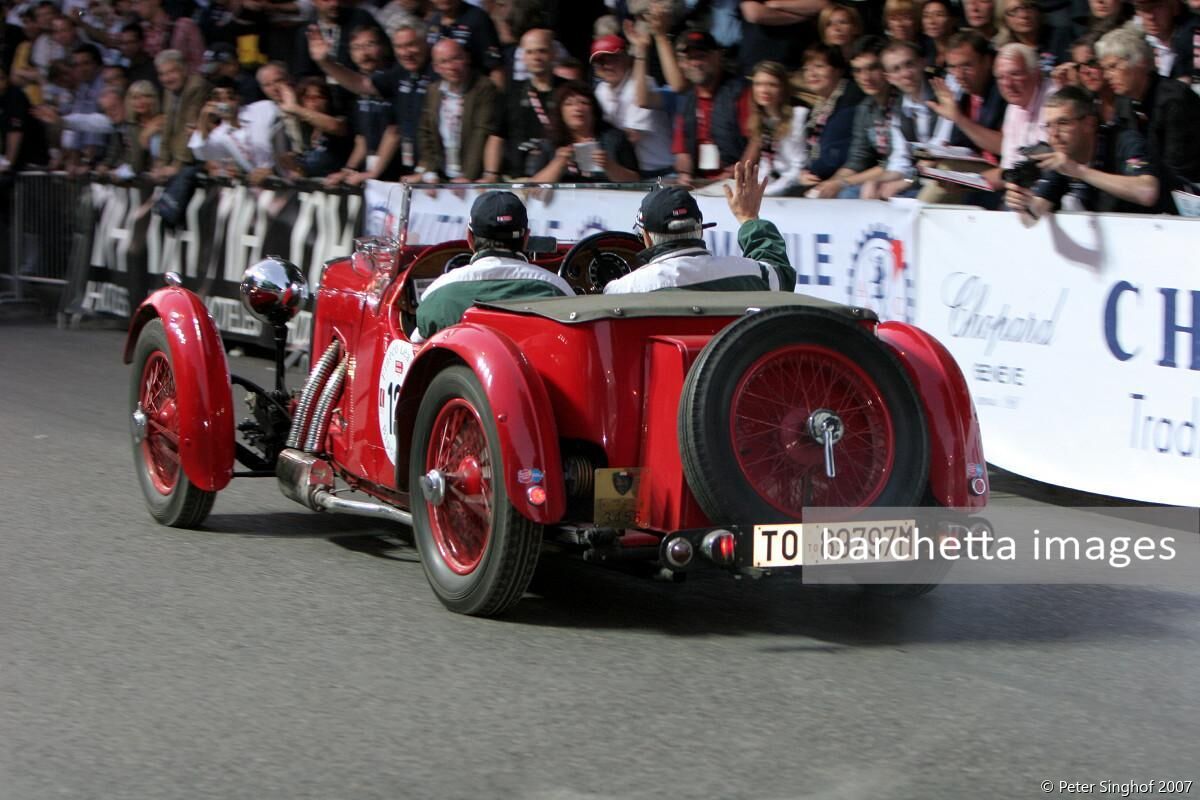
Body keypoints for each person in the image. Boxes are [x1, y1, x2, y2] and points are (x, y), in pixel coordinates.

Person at [603, 161, 797, 294]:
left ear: (647, 237)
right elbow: (782, 277)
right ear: (700, 230)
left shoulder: (623, 290)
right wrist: (749, 219)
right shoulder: (751, 273)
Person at [414, 190, 573, 339]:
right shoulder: (557, 289)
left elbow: (415, 348)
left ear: (469, 237)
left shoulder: (437, 294)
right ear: (526, 238)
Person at [1003, 84, 1163, 216]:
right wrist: (1024, 203)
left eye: (1063, 123)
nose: (1054, 134)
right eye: (1049, 126)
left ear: (1089, 124)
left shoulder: (1125, 141)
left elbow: (1147, 192)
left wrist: (1079, 171)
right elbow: (1035, 214)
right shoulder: (1062, 156)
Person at [1098, 23, 1200, 195]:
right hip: (1148, 189)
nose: (1107, 76)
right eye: (1105, 69)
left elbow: (1178, 168)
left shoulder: (1174, 99)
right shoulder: (1123, 103)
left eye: (1113, 66)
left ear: (1140, 62)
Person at [408, 37, 497, 182]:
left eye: (456, 58)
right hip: (443, 173)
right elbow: (426, 132)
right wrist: (429, 171)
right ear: (436, 67)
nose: (451, 66)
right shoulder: (433, 91)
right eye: (444, 62)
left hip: (475, 177)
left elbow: (481, 132)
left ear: (466, 58)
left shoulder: (483, 87)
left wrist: (467, 176)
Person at [528, 80, 640, 182]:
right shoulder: (550, 143)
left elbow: (635, 181)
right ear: (560, 113)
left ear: (594, 110)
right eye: (569, 104)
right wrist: (558, 164)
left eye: (584, 103)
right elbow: (534, 188)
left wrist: (610, 166)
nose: (577, 108)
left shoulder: (614, 139)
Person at [746, 60, 810, 195]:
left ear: (783, 89)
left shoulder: (797, 117)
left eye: (772, 85)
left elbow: (797, 168)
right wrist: (755, 187)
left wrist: (768, 192)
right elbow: (766, 163)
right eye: (759, 84)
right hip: (775, 185)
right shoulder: (763, 119)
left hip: (795, 187)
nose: (764, 90)